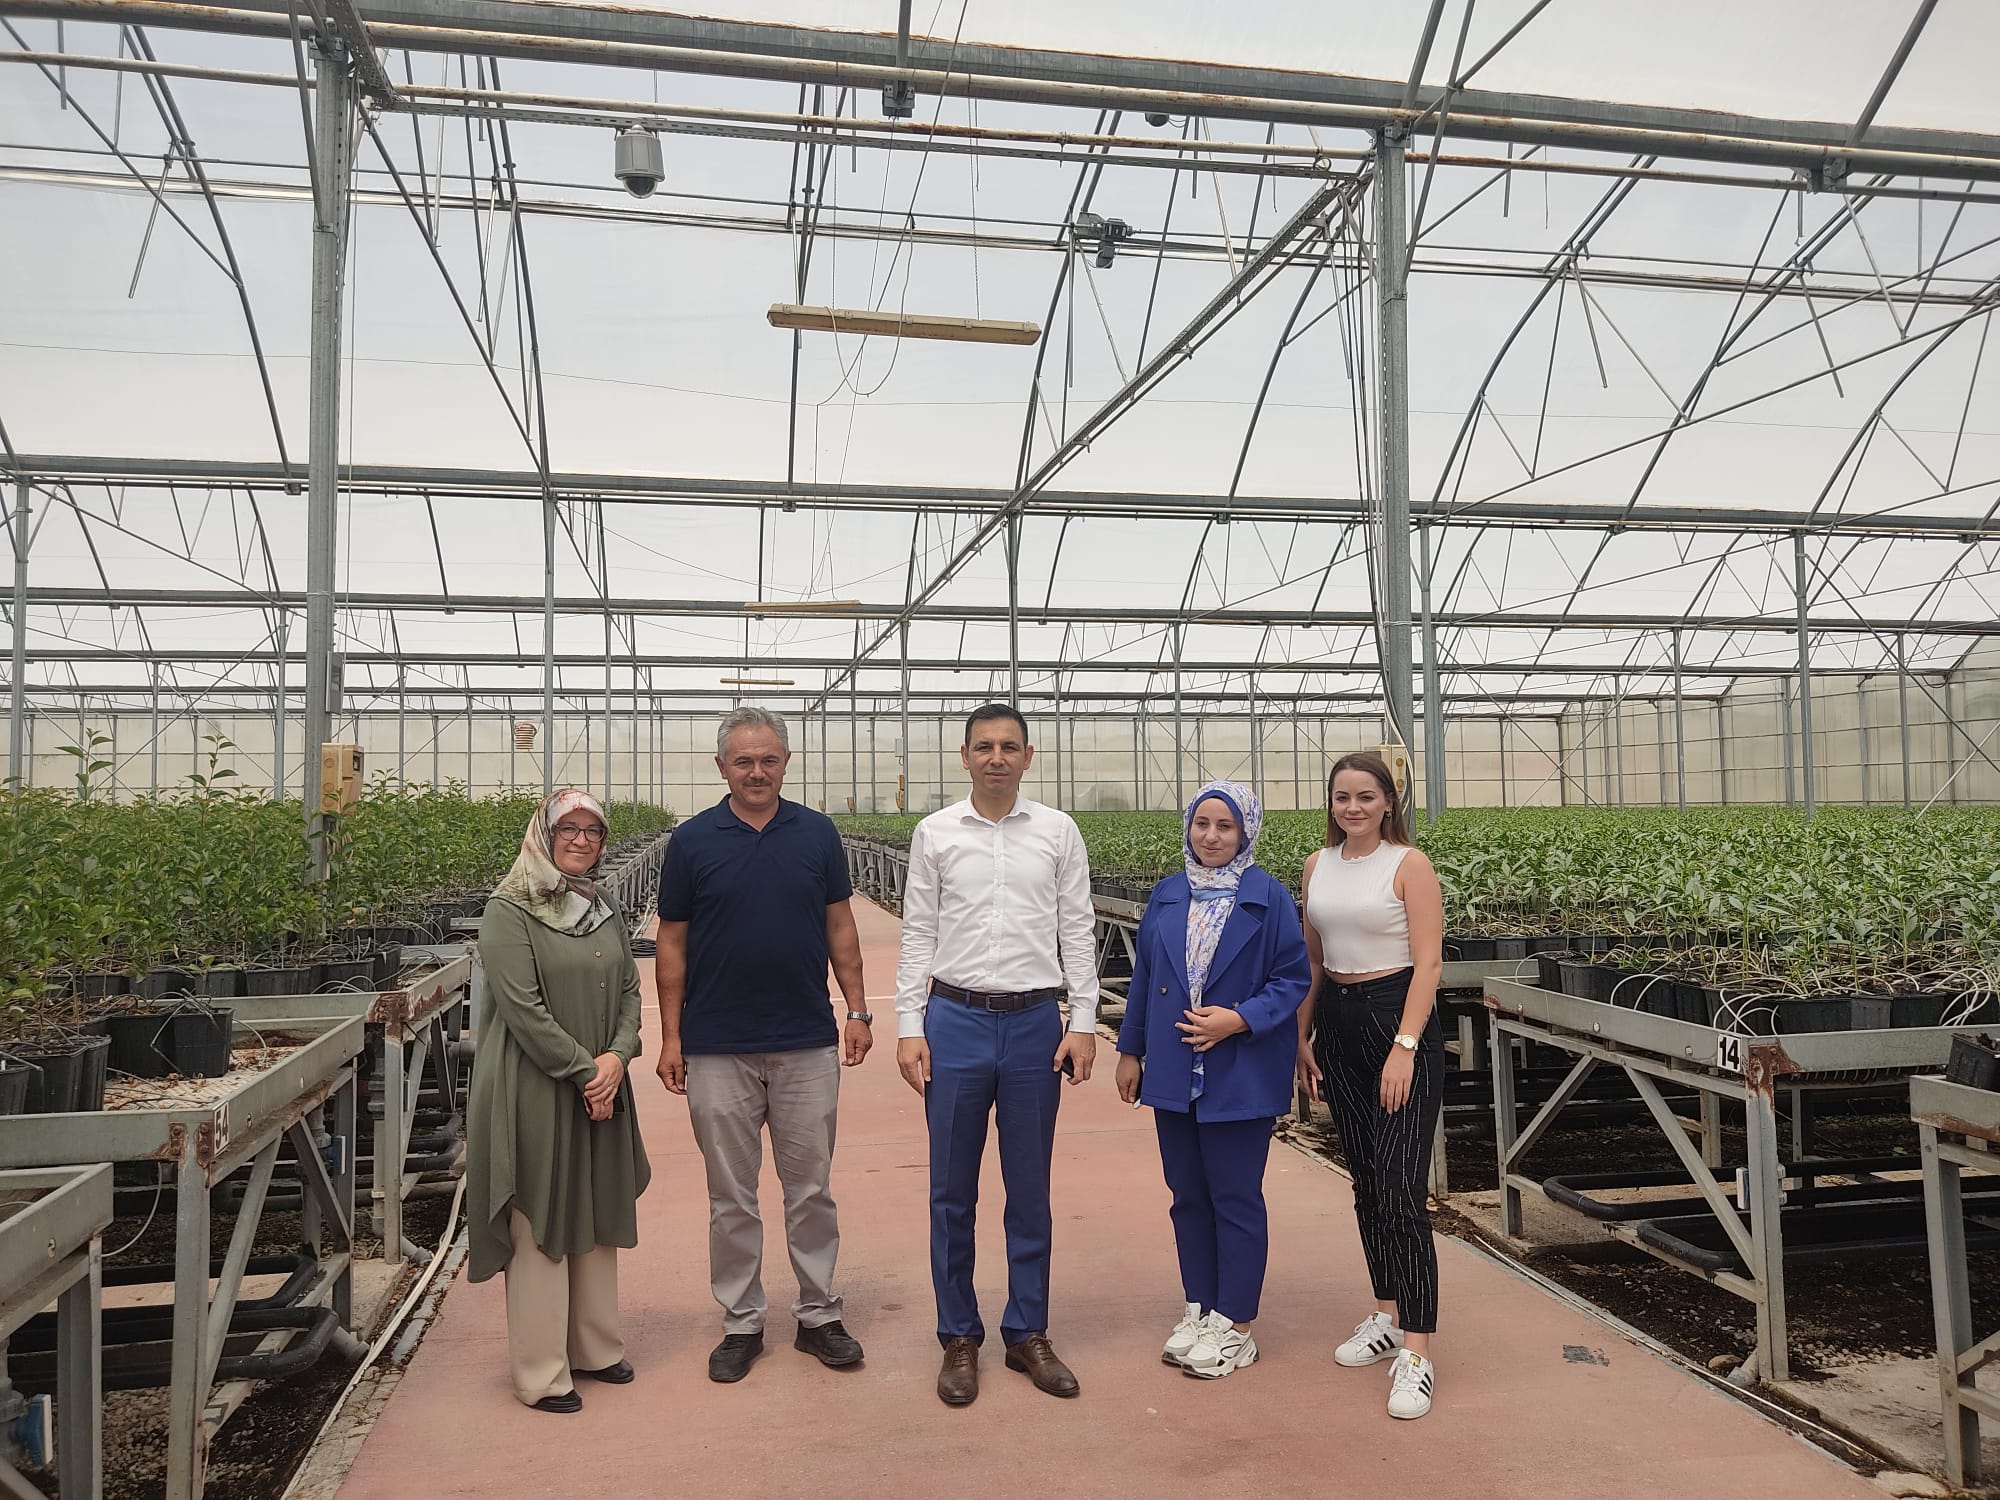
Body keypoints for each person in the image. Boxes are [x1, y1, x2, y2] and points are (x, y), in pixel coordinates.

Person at [655, 706, 872, 1385]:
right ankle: (742, 1321)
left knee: (810, 1189)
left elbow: (841, 927)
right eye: (743, 760)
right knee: (731, 1195)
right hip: (718, 1045)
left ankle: (818, 1315)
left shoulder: (816, 834)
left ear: (785, 763)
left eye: (768, 759)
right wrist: (671, 1036)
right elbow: (671, 941)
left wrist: (858, 1010)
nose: (757, 770)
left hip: (805, 1039)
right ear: (722, 767)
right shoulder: (691, 842)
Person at [893, 703, 1099, 1407]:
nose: (997, 757)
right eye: (985, 746)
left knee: (1030, 1187)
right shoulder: (936, 833)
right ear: (965, 755)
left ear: (1028, 756)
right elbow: (917, 929)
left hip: (1036, 1024)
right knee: (951, 1189)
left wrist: (1084, 1020)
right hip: (954, 1019)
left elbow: (1078, 927)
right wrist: (908, 1023)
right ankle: (958, 1336)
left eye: (1010, 746)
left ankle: (1027, 1332)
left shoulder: (1057, 832)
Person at [1115, 780, 1310, 1380]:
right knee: (1188, 1198)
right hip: (1176, 1073)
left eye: (1226, 826)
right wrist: (1131, 1050)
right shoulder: (1169, 895)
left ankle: (1237, 1323)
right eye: (1202, 824)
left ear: (1246, 831)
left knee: (1236, 1198)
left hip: (1239, 1071)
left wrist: (1239, 1019)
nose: (1212, 837)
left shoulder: (1267, 898)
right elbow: (1146, 977)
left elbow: (1292, 979)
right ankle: (1200, 1305)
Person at [467, 788, 650, 1413]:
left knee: (594, 1202)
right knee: (540, 1215)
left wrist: (617, 1059)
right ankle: (542, 1369)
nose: (580, 840)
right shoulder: (508, 908)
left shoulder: (602, 905)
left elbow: (629, 989)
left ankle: (595, 1347)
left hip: (599, 1080)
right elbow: (523, 1010)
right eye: (567, 829)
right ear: (543, 834)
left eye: (593, 831)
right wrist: (586, 1071)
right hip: (535, 1086)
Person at [1294, 751, 1447, 1420]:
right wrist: (1301, 1035)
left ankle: (1417, 1350)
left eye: (1365, 796)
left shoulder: (1408, 865)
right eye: (1341, 797)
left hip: (1395, 1015)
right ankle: (1385, 1313)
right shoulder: (1317, 866)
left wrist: (1405, 1047)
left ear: (1389, 802)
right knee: (1363, 1179)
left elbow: (1430, 961)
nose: (1352, 807)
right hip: (1338, 1020)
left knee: (1401, 1186)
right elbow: (1314, 957)